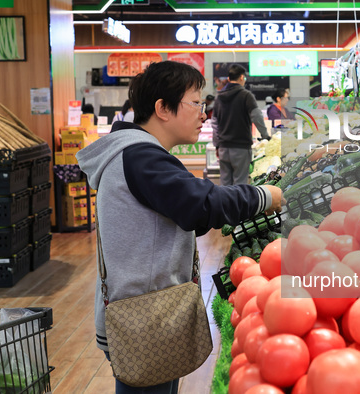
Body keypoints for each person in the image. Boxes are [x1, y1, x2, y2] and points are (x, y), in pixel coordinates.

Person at [76, 61, 282, 394]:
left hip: (140, 313)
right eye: (196, 103)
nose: (204, 114)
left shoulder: (136, 155)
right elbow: (202, 205)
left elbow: (185, 215)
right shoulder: (141, 158)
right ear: (162, 108)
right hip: (145, 321)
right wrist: (265, 196)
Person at [212, 64, 270, 186]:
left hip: (223, 147)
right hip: (240, 147)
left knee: (225, 183)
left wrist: (217, 144)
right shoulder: (246, 95)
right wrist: (265, 135)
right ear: (242, 77)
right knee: (240, 183)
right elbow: (257, 116)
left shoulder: (219, 97)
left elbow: (215, 123)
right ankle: (238, 206)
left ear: (228, 79)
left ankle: (226, 205)